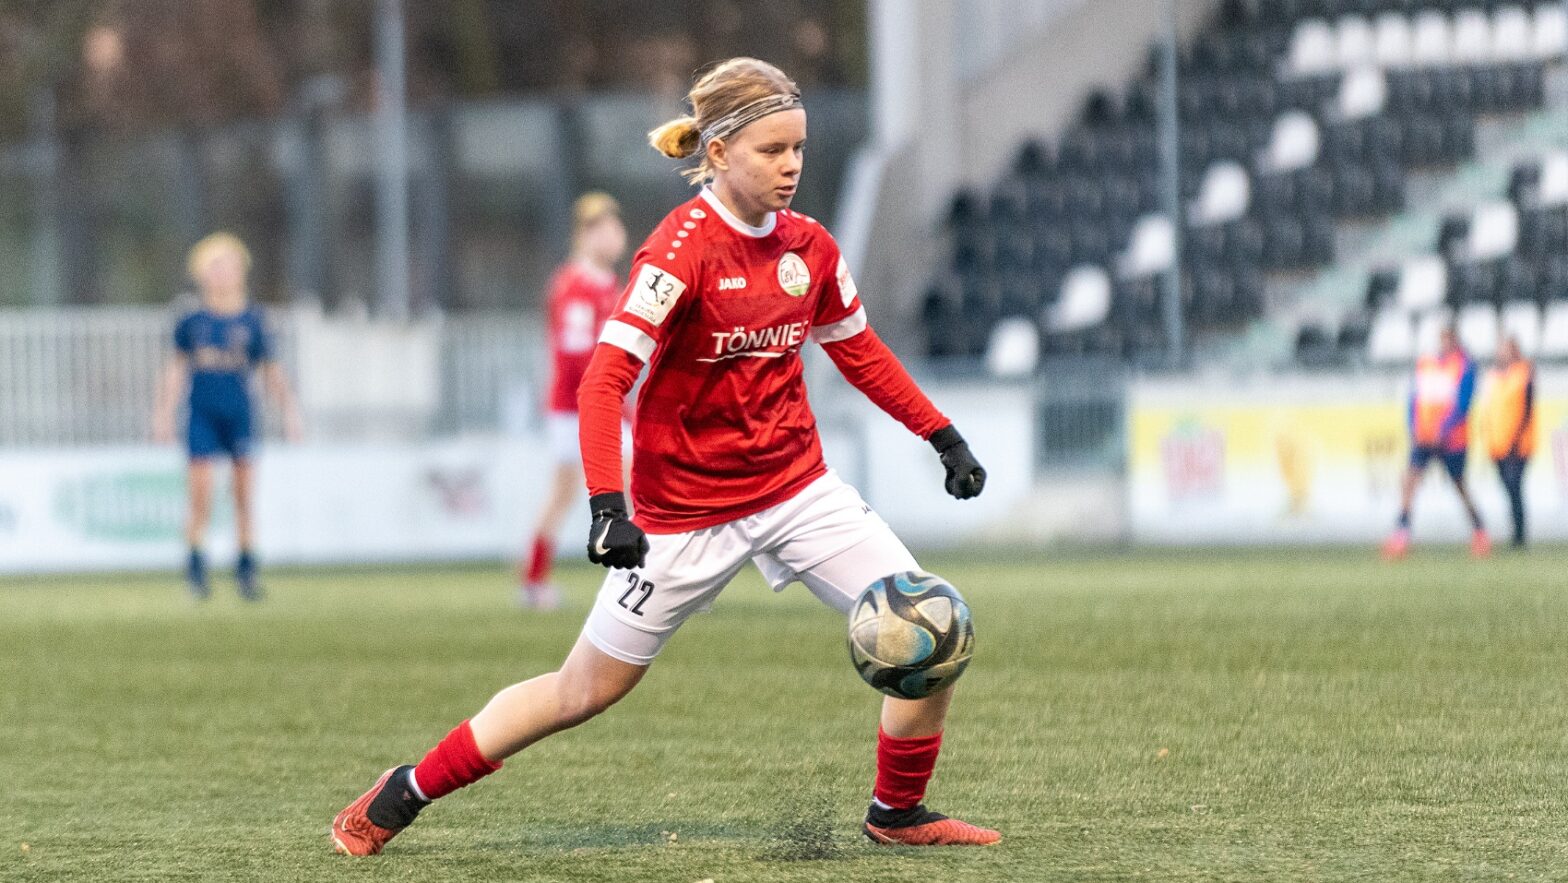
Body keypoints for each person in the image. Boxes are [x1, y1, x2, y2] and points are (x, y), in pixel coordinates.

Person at [331, 57, 998, 855]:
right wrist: (608, 506)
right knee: (583, 691)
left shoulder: (810, 247)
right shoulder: (677, 253)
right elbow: (604, 381)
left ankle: (897, 813)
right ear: (717, 153)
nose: (790, 167)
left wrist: (942, 435)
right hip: (682, 518)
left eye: (798, 150)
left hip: (798, 490)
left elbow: (860, 353)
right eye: (770, 151)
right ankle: (406, 788)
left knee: (933, 626)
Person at [151, 233, 302, 600]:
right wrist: (163, 414)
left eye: (230, 266)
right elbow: (175, 370)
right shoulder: (192, 322)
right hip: (202, 415)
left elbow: (271, 370)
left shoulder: (253, 320)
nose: (223, 273)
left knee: (243, 495)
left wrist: (290, 410)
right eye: (215, 266)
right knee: (201, 493)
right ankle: (196, 569)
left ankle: (246, 569)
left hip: (240, 416)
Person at [517, 192, 629, 610]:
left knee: (572, 491)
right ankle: (636, 581)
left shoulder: (606, 284)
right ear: (584, 236)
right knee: (606, 488)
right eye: (602, 228)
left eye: (615, 227)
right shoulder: (576, 285)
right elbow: (575, 353)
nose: (614, 236)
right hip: (579, 405)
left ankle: (534, 576)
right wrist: (610, 397)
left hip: (592, 402)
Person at [1382, 325, 1488, 559]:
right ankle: (1401, 533)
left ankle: (1480, 530)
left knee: (1460, 486)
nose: (1443, 344)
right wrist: (1413, 426)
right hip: (1425, 436)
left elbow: (1463, 404)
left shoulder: (1464, 366)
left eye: (1447, 340)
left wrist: (1444, 428)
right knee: (1409, 481)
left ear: (1455, 341)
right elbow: (1414, 398)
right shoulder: (1426, 363)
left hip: (1452, 440)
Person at [1479, 336, 1535, 548]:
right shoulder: (1492, 376)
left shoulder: (1524, 373)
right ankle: (1515, 530)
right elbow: (1488, 407)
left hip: (1518, 444)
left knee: (1515, 486)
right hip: (1497, 443)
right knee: (1507, 487)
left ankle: (1519, 534)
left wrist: (1517, 438)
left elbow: (1526, 409)